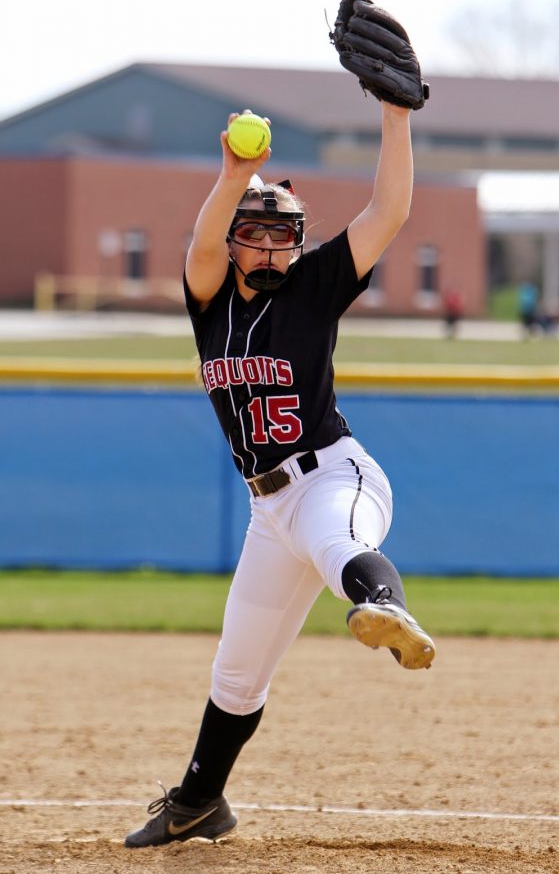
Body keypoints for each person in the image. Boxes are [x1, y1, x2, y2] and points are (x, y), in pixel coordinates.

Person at [124, 99, 436, 849]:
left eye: (281, 235)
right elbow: (201, 244)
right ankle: (200, 803)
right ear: (233, 244)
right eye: (253, 235)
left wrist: (396, 117)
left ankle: (389, 611)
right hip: (268, 510)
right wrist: (234, 174)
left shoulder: (316, 288)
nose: (267, 248)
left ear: (298, 245)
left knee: (339, 548)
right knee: (236, 673)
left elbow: (388, 210)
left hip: (333, 476)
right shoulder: (210, 306)